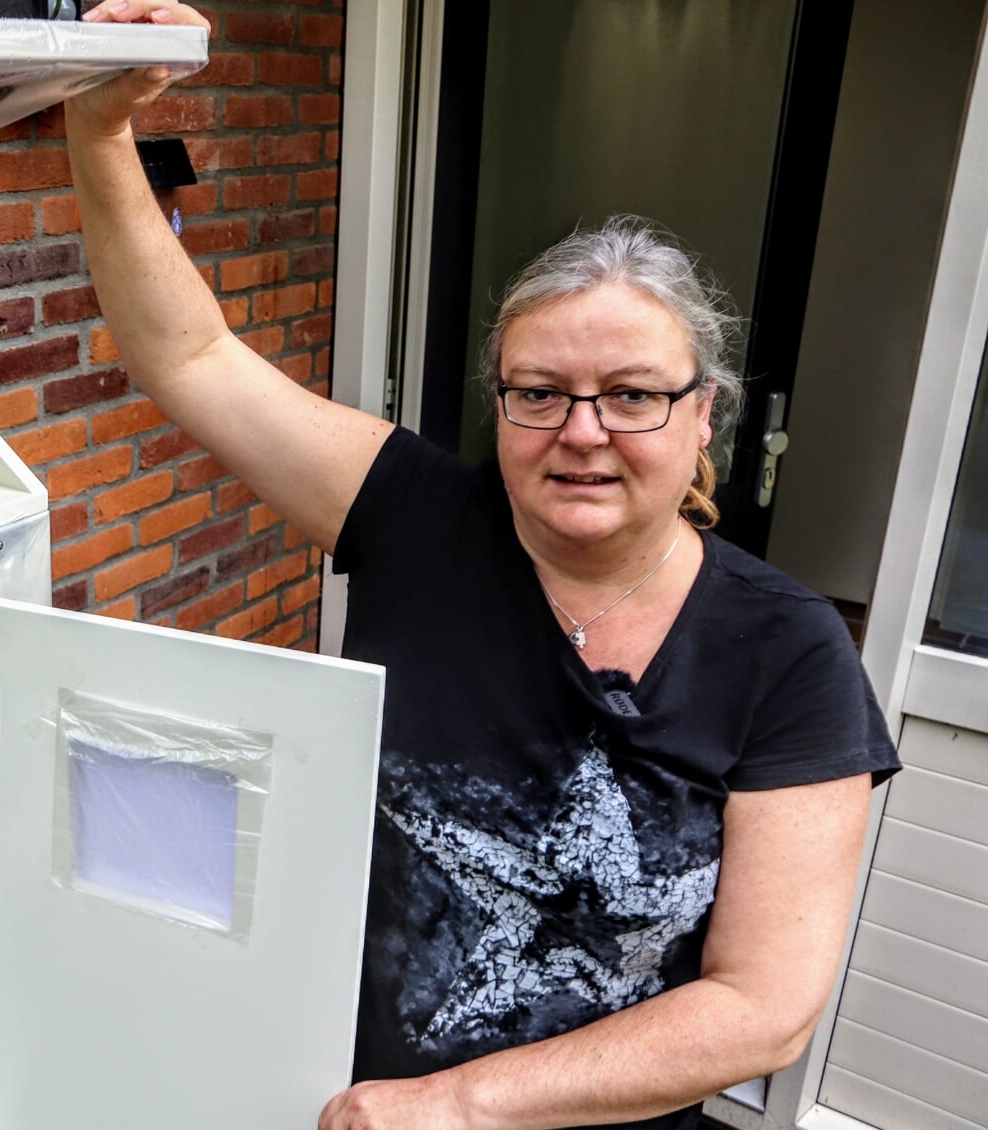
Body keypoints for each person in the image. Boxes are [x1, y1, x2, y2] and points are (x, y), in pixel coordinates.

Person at [66, 4, 901, 1128]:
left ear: (706, 416)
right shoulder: (421, 515)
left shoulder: (788, 649)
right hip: (339, 1096)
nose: (583, 430)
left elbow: (763, 1005)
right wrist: (99, 129)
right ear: (498, 402)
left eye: (634, 394)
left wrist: (458, 1105)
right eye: (539, 390)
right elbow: (190, 354)